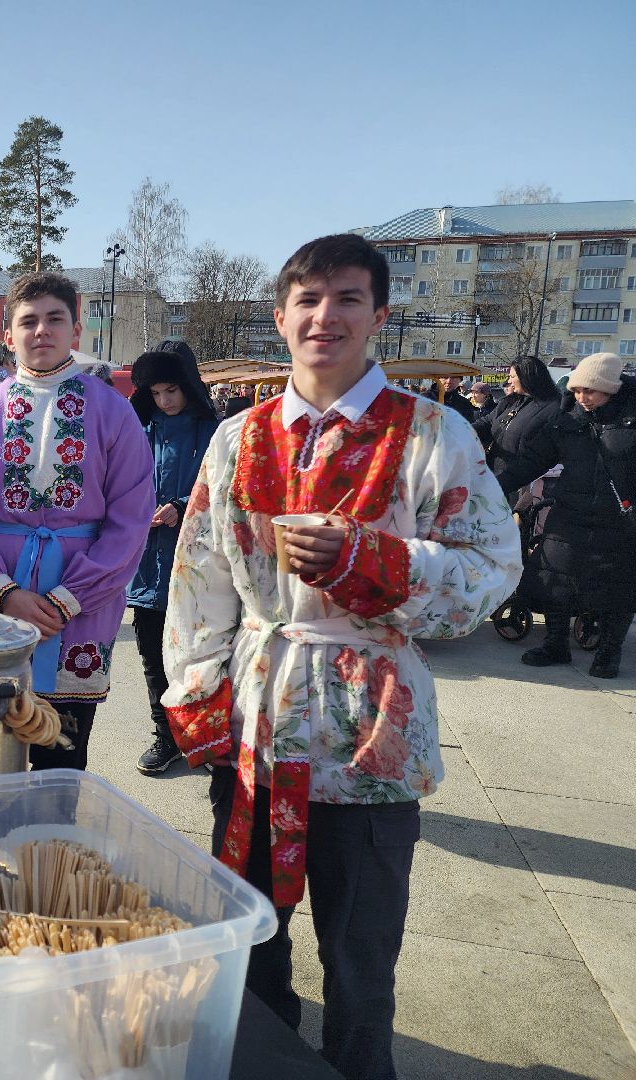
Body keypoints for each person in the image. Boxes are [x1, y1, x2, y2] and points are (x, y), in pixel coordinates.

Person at [162, 234, 520, 1080]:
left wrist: (375, 561)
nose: (327, 317)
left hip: (371, 739)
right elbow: (200, 576)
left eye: (348, 299)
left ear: (379, 315)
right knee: (251, 947)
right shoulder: (238, 438)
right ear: (282, 317)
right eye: (309, 301)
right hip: (255, 721)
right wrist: (194, 691)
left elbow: (491, 567)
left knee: (361, 965)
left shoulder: (435, 432)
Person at [0, 272, 154, 770]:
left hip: (80, 611)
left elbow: (131, 521)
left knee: (62, 756)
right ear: (8, 334)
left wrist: (65, 601)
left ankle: (50, 847)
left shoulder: (113, 413)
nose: (41, 331)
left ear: (77, 330)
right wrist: (3, 591)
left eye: (55, 319)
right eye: (28, 321)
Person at [502, 352, 636, 678]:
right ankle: (556, 643)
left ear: (610, 388)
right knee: (554, 580)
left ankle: (609, 651)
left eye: (589, 390)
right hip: (570, 514)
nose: (581, 397)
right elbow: (533, 460)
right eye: (576, 390)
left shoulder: (631, 421)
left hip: (619, 519)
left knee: (618, 588)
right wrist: (492, 485)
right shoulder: (567, 419)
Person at [124, 350, 219, 776]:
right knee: (151, 657)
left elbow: (226, 489)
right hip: (146, 565)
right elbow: (118, 482)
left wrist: (184, 506)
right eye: (156, 392)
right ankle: (165, 736)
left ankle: (203, 735)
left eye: (172, 389)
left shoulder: (215, 431)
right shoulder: (137, 429)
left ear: (189, 386)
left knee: (201, 656)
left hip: (198, 566)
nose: (164, 400)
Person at [471, 357, 562, 498]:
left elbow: (536, 460)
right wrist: (458, 430)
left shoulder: (553, 409)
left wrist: (499, 485)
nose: (509, 381)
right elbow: (487, 422)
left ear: (527, 377)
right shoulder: (511, 401)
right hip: (492, 476)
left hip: (517, 485)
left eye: (512, 376)